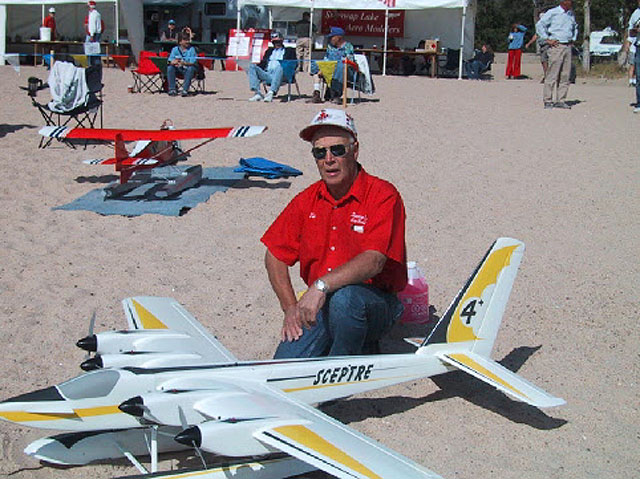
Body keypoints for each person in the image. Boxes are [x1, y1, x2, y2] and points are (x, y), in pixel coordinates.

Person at [261, 109, 407, 359]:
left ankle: (342, 370)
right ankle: (345, 343)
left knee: (346, 300)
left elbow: (374, 260)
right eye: (320, 152)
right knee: (282, 368)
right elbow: (274, 254)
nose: (328, 158)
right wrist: (290, 309)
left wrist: (320, 286)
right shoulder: (306, 200)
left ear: (355, 150)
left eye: (337, 150)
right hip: (321, 302)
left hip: (373, 301)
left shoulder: (383, 194)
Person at [536, 0, 578, 109]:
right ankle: (548, 100)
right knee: (552, 74)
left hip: (567, 45)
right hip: (556, 46)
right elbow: (540, 25)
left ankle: (561, 99)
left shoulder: (571, 14)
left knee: (565, 75)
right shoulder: (553, 12)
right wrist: (547, 39)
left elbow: (575, 27)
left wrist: (573, 38)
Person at [247, 31, 296, 102]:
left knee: (280, 66)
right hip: (268, 74)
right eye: (275, 42)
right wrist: (255, 71)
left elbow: (294, 63)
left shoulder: (289, 51)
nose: (277, 44)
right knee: (252, 66)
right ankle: (257, 93)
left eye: (278, 42)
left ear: (282, 41)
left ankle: (271, 93)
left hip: (283, 74)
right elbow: (262, 64)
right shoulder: (269, 51)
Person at [311, 26, 355, 103]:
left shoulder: (348, 46)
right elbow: (326, 59)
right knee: (315, 65)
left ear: (338, 37)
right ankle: (316, 92)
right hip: (329, 69)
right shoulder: (330, 47)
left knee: (340, 66)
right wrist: (322, 68)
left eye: (332, 37)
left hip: (345, 72)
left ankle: (336, 94)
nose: (330, 39)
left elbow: (349, 61)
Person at [167, 31, 198, 97]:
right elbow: (169, 60)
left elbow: (193, 62)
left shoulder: (192, 49)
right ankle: (172, 89)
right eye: (185, 40)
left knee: (190, 69)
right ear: (180, 42)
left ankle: (185, 90)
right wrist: (173, 62)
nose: (187, 42)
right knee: (170, 68)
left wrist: (184, 63)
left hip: (188, 70)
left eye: (188, 40)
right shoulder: (175, 49)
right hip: (178, 69)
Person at [84, 0, 103, 67]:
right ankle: (96, 64)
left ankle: (90, 64)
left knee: (89, 50)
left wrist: (91, 35)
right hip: (98, 33)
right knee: (96, 50)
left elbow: (92, 26)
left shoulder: (92, 15)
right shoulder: (98, 14)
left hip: (92, 34)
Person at [629, 0, 640, 113]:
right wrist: (636, 30)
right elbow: (630, 31)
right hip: (639, 47)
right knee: (639, 77)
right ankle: (639, 103)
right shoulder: (636, 14)